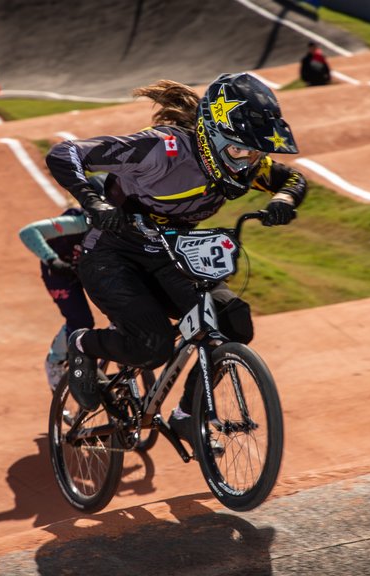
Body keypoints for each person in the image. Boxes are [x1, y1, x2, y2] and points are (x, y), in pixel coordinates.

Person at [44, 73, 307, 445]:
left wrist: (283, 200)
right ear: (212, 136)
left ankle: (187, 417)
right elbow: (64, 153)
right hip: (112, 254)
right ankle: (83, 345)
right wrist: (95, 201)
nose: (246, 163)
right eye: (238, 151)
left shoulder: (246, 163)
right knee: (152, 346)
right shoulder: (160, 149)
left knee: (233, 321)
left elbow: (291, 180)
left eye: (255, 153)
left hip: (171, 254)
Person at [18, 206, 94, 391]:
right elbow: (28, 232)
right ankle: (55, 360)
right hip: (60, 273)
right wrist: (52, 260)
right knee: (81, 321)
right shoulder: (79, 222)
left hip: (89, 268)